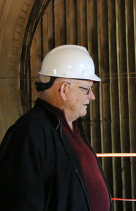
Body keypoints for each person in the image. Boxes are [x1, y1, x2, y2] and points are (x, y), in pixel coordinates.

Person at [0, 45, 112, 211]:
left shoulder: (72, 127)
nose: (92, 96)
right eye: (86, 89)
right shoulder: (29, 134)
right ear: (64, 90)